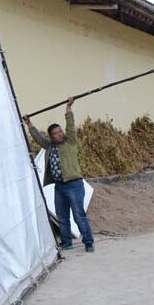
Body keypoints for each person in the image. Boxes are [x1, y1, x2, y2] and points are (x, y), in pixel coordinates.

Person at [23, 98, 95, 252]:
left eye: (60, 131)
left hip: (74, 185)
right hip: (60, 187)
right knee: (62, 217)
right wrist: (29, 124)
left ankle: (89, 242)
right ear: (51, 136)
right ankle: (67, 242)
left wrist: (68, 108)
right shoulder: (49, 146)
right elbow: (38, 138)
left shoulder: (70, 142)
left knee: (78, 215)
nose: (60, 134)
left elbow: (70, 125)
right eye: (56, 133)